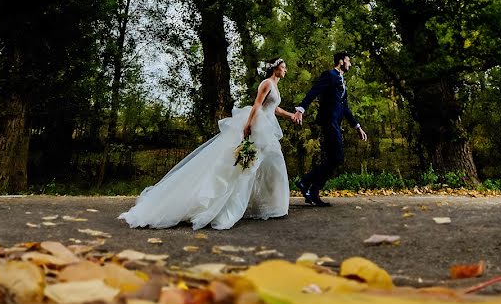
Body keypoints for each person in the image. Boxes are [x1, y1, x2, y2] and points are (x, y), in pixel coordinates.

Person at [119, 58, 302, 230]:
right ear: (276, 68)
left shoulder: (275, 86)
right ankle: (226, 206)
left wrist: (291, 116)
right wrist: (248, 125)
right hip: (259, 127)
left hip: (268, 128)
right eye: (283, 67)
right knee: (246, 167)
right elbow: (257, 105)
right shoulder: (267, 83)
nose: (285, 70)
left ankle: (271, 205)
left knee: (272, 163)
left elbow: (274, 108)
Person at [294, 51, 367, 207]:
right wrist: (301, 109)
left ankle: (311, 189)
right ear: (341, 61)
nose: (350, 64)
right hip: (328, 121)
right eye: (349, 61)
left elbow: (345, 108)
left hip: (335, 122)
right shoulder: (329, 75)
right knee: (337, 157)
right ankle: (306, 183)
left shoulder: (342, 81)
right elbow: (314, 91)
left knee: (335, 158)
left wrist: (357, 127)